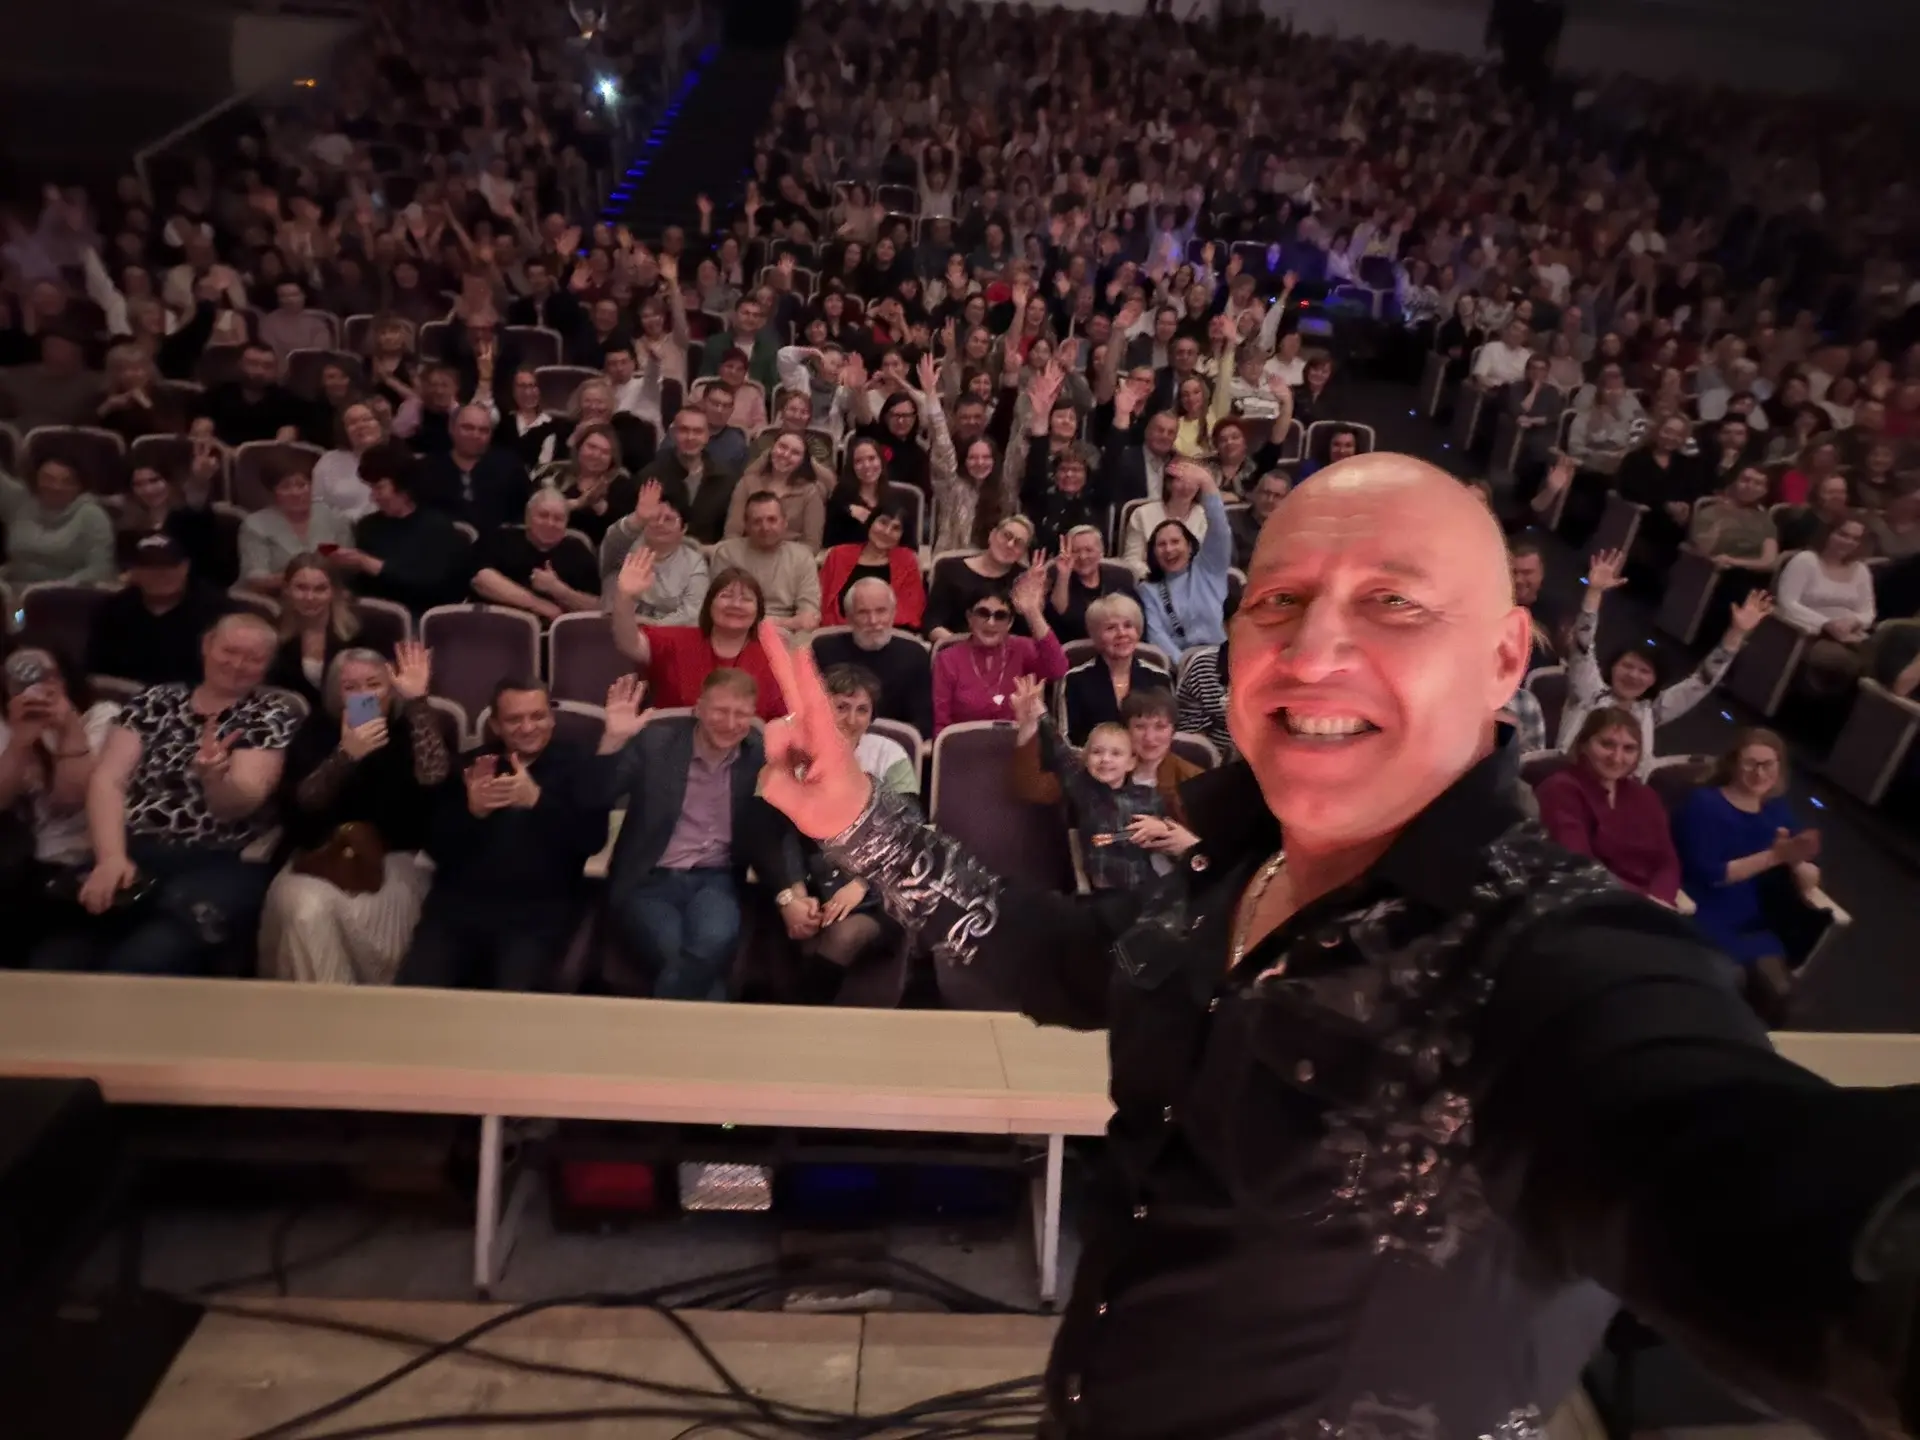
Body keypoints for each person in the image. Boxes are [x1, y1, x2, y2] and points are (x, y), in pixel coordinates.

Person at [751, 454, 1920, 1440]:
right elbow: (1044, 949)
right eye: (1278, 600)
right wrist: (855, 819)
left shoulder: (1550, 956)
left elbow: (1754, 1184)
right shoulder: (1234, 871)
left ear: (1506, 658)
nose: (1311, 651)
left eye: (1393, 603)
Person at [38, 614, 298, 975]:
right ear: (207, 646)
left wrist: (214, 779)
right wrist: (110, 858)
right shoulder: (154, 700)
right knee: (56, 959)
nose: (238, 664)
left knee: (141, 961)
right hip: (133, 848)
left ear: (267, 665)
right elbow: (108, 780)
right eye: (229, 651)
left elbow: (241, 803)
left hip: (218, 859)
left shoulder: (268, 714)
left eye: (253, 658)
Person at [397, 678, 610, 991]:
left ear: (551, 718)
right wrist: (473, 812)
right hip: (458, 911)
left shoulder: (581, 766)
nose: (528, 727)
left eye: (537, 716)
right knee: (416, 994)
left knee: (513, 1000)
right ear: (495, 725)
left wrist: (537, 800)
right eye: (514, 719)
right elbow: (436, 848)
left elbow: (592, 840)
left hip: (536, 916)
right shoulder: (472, 765)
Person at [259, 642, 450, 984]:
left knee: (358, 909)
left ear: (392, 688)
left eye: (374, 684)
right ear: (337, 693)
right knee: (304, 909)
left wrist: (418, 702)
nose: (365, 695)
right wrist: (345, 756)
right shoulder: (317, 730)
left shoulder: (411, 727)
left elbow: (435, 777)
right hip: (318, 858)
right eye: (351, 687)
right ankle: (326, 1007)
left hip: (395, 860)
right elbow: (302, 803)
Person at [592, 670, 766, 1001]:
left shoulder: (757, 755)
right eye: (720, 711)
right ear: (698, 709)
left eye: (741, 714)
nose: (730, 723)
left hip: (715, 879)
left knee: (714, 941)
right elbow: (598, 794)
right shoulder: (656, 743)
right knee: (679, 957)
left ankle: (668, 1031)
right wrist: (613, 740)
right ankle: (716, 1027)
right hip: (648, 880)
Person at [1558, 548, 1769, 771]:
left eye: (1644, 671)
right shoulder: (1589, 691)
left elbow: (1702, 681)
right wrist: (1594, 593)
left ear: (1654, 680)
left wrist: (1736, 633)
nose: (1633, 675)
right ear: (1612, 668)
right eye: (1627, 666)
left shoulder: (1649, 713)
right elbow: (1582, 647)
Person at [1672, 730, 1824, 1023]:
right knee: (1736, 982)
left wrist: (1799, 863)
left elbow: (1805, 873)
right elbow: (1712, 875)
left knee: (1779, 994)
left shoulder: (1776, 809)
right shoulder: (1704, 805)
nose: (1760, 773)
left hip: (1752, 916)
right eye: (1751, 763)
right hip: (1702, 909)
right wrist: (1775, 857)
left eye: (1768, 764)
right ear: (1733, 764)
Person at [0, 643, 118, 967]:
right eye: (23, 678)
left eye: (48, 676)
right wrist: (20, 742)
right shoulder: (6, 723)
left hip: (78, 861)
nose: (38, 687)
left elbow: (70, 801)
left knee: (53, 960)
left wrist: (68, 730)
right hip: (19, 864)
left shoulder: (102, 717)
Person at [1008, 676, 1177, 891]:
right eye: (1097, 752)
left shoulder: (1152, 797)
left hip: (1145, 891)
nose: (1106, 759)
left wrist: (1164, 829)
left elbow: (1183, 842)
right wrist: (1039, 715)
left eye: (1115, 753)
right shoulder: (1084, 786)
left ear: (1130, 761)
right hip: (1098, 893)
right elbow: (1060, 751)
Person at [612, 553, 786, 721]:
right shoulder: (675, 641)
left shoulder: (774, 659)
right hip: (673, 738)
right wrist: (625, 597)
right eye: (726, 596)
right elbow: (629, 643)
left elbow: (783, 721)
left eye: (746, 599)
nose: (735, 604)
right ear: (709, 605)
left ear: (759, 612)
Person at [1533, 708, 1681, 905]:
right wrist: (1644, 902)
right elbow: (1579, 865)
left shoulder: (1645, 795)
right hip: (1585, 901)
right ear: (1583, 745)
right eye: (1607, 744)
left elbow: (1667, 861)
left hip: (1648, 904)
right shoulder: (1560, 789)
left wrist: (1659, 898)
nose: (1617, 758)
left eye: (1629, 749)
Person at [333, 443, 473, 616]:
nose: (373, 497)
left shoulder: (437, 527)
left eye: (379, 487)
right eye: (371, 488)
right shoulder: (367, 526)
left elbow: (434, 585)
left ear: (403, 487)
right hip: (375, 617)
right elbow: (363, 586)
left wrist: (373, 565)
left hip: (421, 617)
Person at [931, 565, 1067, 732]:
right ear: (969, 618)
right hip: (965, 745)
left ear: (1010, 623)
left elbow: (1057, 669)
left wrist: (1032, 612)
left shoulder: (1022, 648)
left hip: (1018, 743)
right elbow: (941, 726)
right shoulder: (948, 659)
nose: (991, 623)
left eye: (1000, 616)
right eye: (983, 613)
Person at [85, 534, 234, 686]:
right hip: (126, 697)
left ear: (185, 567)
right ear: (133, 571)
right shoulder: (113, 610)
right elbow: (96, 671)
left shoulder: (218, 610)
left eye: (170, 566)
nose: (161, 574)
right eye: (150, 567)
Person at [809, 579, 934, 736]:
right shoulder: (823, 650)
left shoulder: (915, 655)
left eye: (881, 611)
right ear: (849, 617)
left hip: (894, 744)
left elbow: (923, 723)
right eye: (863, 612)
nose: (873, 621)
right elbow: (811, 711)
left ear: (893, 613)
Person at [1137, 460, 1232, 659]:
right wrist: (1186, 667)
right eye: (1161, 545)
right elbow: (1157, 637)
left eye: (1175, 542)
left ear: (1189, 546)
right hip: (1182, 664)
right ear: (1153, 553)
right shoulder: (1148, 589)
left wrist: (1207, 483)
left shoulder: (1209, 567)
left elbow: (1220, 528)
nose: (1169, 549)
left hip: (1223, 657)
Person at [1773, 517, 1876, 697]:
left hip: (1850, 634)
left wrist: (1853, 621)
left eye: (1855, 539)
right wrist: (1827, 624)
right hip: (1808, 634)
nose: (1848, 542)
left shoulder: (1861, 569)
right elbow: (1788, 603)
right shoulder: (1805, 560)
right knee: (1846, 662)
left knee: (1882, 662)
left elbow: (1869, 611)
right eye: (1843, 535)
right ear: (1828, 534)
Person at [471, 490, 601, 623]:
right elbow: (481, 579)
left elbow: (597, 606)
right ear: (528, 517)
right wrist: (539, 605)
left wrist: (559, 590)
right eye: (543, 515)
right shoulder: (502, 539)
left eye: (558, 519)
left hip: (556, 633)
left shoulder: (577, 550)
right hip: (496, 626)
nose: (550, 523)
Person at [1059, 594, 1172, 744]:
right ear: (1096, 635)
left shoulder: (1159, 678)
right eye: (1111, 628)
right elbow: (1069, 742)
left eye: (1128, 626)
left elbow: (1166, 735)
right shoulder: (1076, 680)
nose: (1122, 633)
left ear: (1137, 631)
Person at [597, 480, 709, 623]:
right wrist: (638, 518)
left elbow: (692, 613)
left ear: (683, 528)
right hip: (614, 629)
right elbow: (613, 540)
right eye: (654, 518)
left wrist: (649, 625)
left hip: (666, 633)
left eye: (668, 519)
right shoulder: (624, 549)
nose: (660, 523)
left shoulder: (694, 563)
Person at [710, 491, 823, 632]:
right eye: (757, 521)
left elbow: (809, 618)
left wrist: (774, 624)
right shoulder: (728, 554)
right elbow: (718, 609)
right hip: (736, 629)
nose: (765, 528)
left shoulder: (802, 557)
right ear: (746, 525)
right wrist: (784, 622)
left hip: (788, 635)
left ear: (785, 522)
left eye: (772, 520)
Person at [238, 459, 354, 594]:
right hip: (276, 597)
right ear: (273, 492)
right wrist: (298, 580)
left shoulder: (334, 517)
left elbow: (348, 567)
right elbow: (255, 577)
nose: (295, 493)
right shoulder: (255, 525)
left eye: (302, 485)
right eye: (285, 487)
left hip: (328, 594)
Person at [1, 455, 116, 587]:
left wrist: (50, 589)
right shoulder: (20, 502)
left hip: (66, 593)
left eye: (67, 481)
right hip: (12, 587)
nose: (56, 487)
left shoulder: (92, 515)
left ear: (80, 486)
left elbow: (100, 570)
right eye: (48, 478)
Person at [266, 554, 363, 707]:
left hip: (348, 715)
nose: (310, 597)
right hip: (290, 717)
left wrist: (362, 722)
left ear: (333, 591)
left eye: (320, 589)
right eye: (301, 588)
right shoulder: (270, 632)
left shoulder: (360, 632)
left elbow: (367, 693)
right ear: (286, 589)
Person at [421, 403, 532, 533]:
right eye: (467, 428)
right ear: (451, 428)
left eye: (483, 430)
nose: (475, 435)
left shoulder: (510, 465)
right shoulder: (427, 468)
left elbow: (526, 512)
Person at [925, 515, 1036, 643]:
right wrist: (966, 649)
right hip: (955, 647)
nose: (1010, 544)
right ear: (992, 535)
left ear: (1023, 552)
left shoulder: (1024, 579)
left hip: (1006, 652)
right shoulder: (950, 569)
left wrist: (1033, 610)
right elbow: (932, 624)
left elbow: (1030, 636)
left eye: (1019, 543)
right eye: (1006, 535)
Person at [819, 502, 925, 630]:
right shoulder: (838, 555)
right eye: (883, 522)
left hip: (887, 633)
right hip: (837, 631)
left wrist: (868, 626)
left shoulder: (907, 561)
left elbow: (911, 611)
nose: (887, 532)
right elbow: (821, 601)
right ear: (871, 522)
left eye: (896, 528)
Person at [724, 433, 826, 549]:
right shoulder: (747, 483)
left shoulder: (811, 492)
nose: (786, 455)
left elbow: (812, 543)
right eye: (782, 447)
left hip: (791, 556)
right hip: (747, 552)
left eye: (795, 453)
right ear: (771, 450)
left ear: (803, 461)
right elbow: (732, 533)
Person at [313, 401, 387, 519]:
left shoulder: (398, 457)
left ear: (381, 424)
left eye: (367, 419)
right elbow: (316, 505)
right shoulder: (328, 461)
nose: (361, 426)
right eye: (352, 423)